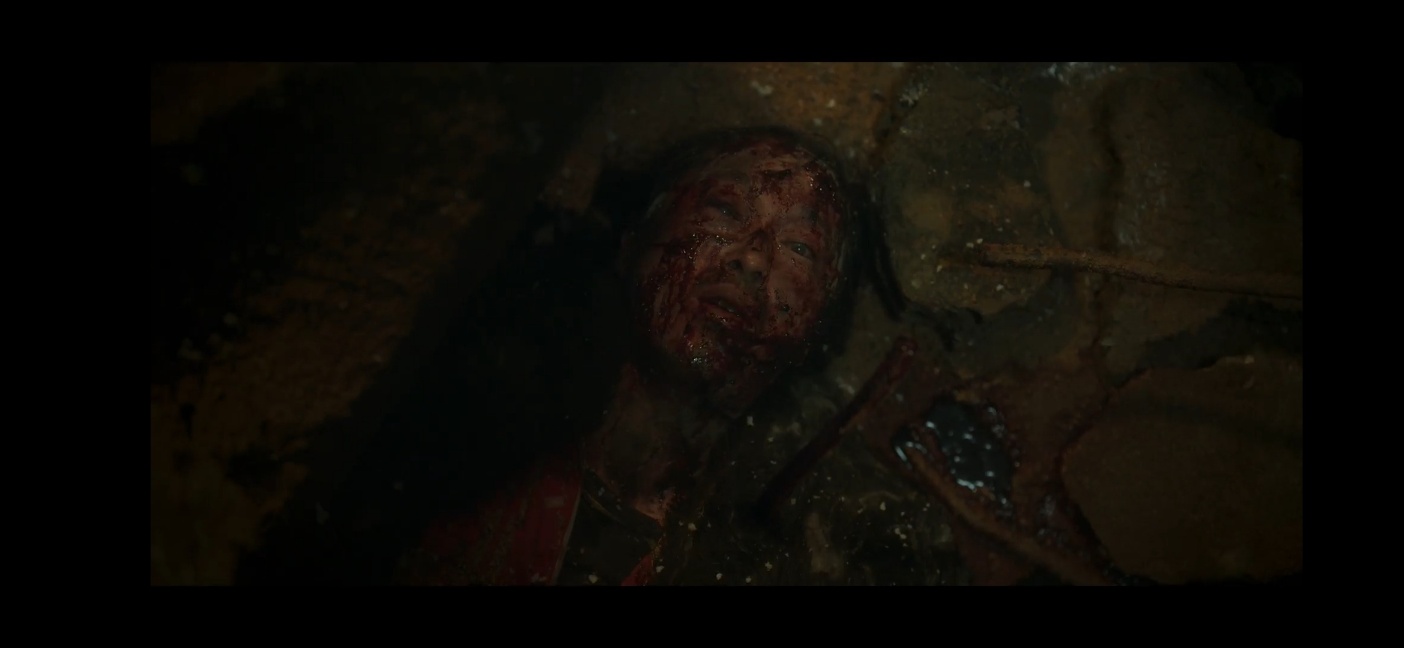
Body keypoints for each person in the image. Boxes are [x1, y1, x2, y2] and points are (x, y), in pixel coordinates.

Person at [399, 127, 858, 585]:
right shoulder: (457, 429)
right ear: (634, 238)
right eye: (724, 210)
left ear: (815, 328)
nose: (754, 258)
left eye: (800, 248)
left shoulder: (772, 563)